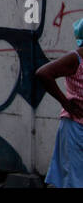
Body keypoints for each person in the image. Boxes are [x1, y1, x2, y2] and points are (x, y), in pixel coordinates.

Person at [37, 17, 83, 188]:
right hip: (75, 127)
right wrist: (65, 102)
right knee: (74, 181)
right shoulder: (75, 58)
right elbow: (43, 73)